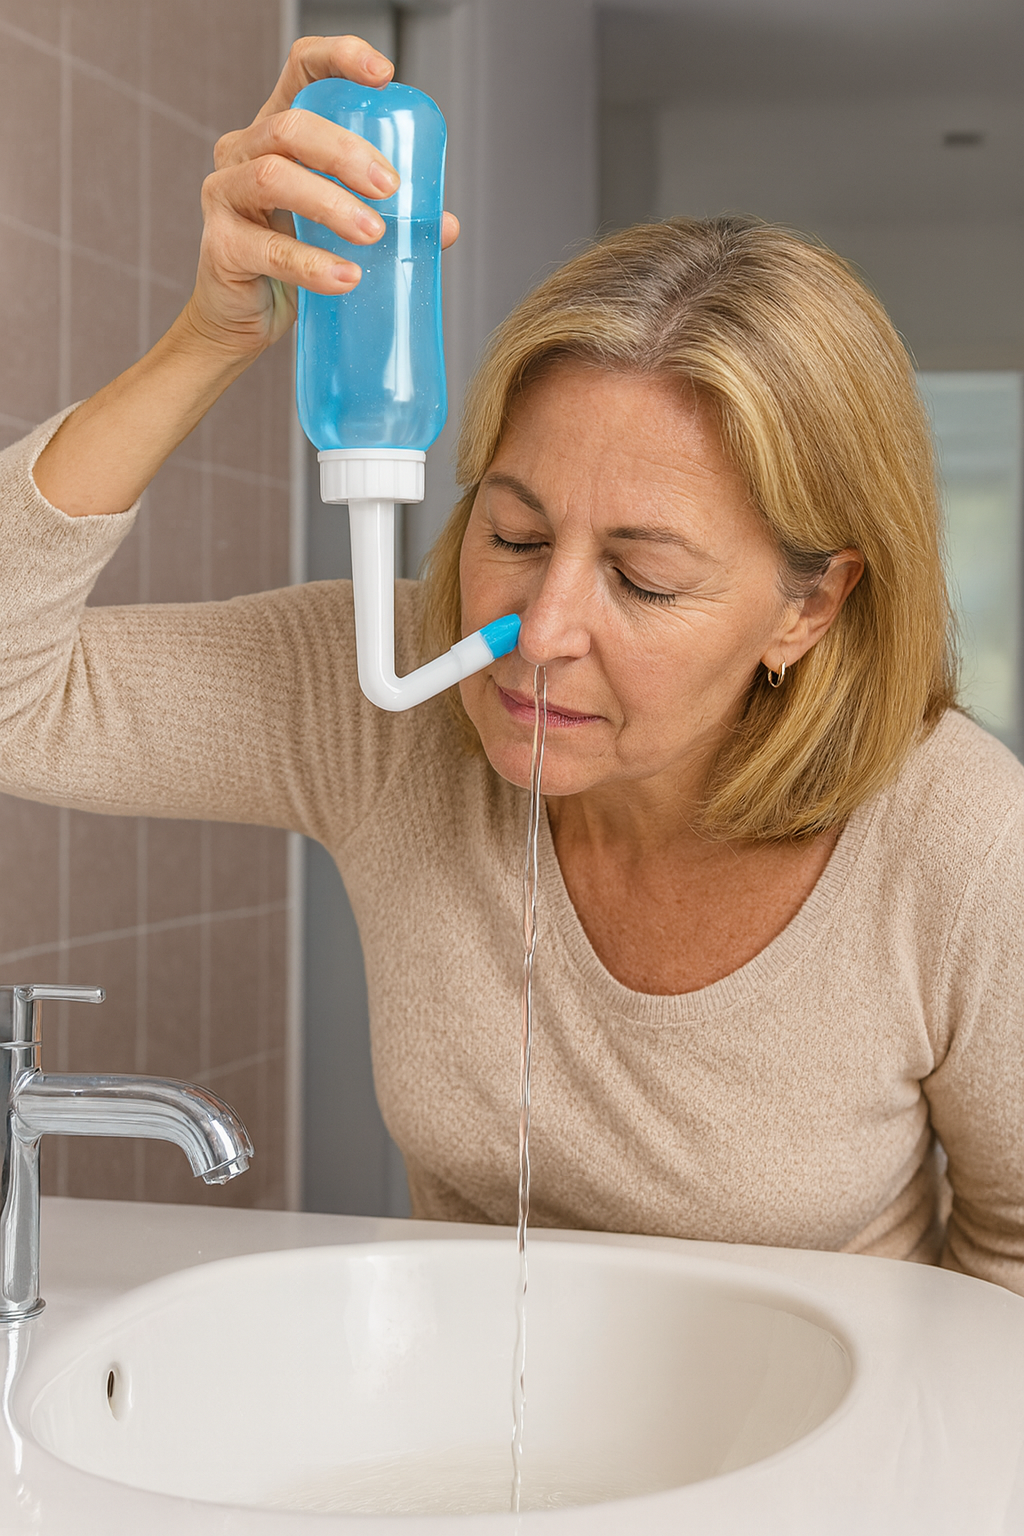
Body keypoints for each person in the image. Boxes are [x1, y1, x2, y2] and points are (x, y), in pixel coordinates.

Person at [2, 37, 1023, 1294]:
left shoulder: (964, 844)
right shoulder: (394, 691)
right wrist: (207, 340)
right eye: (516, 536)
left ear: (807, 609)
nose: (538, 633)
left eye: (643, 579)